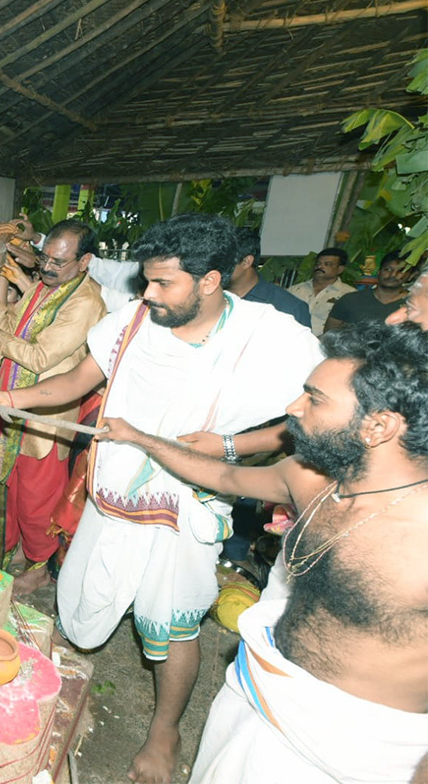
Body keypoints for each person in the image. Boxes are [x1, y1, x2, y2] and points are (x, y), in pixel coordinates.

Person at [0, 213, 322, 784]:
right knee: (80, 606)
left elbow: (313, 419)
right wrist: (9, 396)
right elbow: (74, 383)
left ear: (210, 281)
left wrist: (232, 445)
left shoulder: (269, 335)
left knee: (170, 621)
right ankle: (60, 667)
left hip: (186, 506)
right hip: (111, 498)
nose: (147, 294)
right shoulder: (131, 322)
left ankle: (165, 731)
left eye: (164, 284)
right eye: (146, 280)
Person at [96, 322, 428, 784]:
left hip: (354, 755)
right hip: (259, 695)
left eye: (314, 399)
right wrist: (139, 437)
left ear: (378, 426)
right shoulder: (309, 477)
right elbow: (226, 478)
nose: (293, 409)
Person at [0, 220, 107, 594]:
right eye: (45, 258)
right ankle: (24, 553)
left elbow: (38, 357)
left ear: (85, 260)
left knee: (37, 501)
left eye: (59, 261)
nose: (47, 267)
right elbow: (11, 323)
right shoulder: (43, 287)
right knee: (13, 488)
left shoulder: (86, 301)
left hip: (46, 417)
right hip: (11, 403)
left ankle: (41, 567)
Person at [226, 228, 311, 328]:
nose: (213, 268)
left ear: (246, 262)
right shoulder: (209, 298)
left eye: (222, 262)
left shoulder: (288, 308)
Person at [323, 251, 406, 331]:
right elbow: (329, 335)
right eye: (388, 269)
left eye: (401, 271)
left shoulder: (413, 306)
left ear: (411, 275)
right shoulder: (350, 300)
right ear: (379, 271)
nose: (393, 275)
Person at [287, 247, 354, 335]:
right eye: (318, 263)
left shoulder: (348, 295)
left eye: (327, 264)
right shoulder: (294, 290)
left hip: (326, 345)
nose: (320, 267)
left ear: (340, 269)